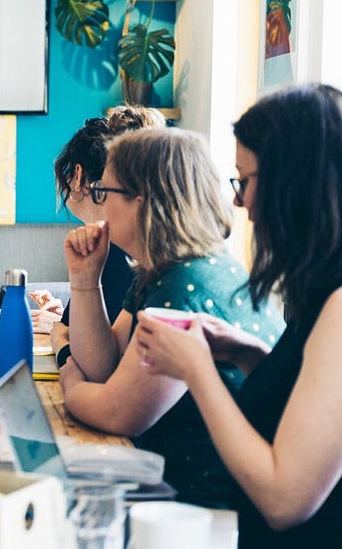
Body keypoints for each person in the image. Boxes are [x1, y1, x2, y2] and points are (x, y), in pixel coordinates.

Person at [137, 84, 342, 545]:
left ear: (293, 185)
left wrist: (197, 369)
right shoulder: (320, 287)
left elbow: (284, 499)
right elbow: (311, 406)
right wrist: (248, 354)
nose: (238, 201)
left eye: (244, 180)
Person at [58, 128, 283, 507]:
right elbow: (103, 364)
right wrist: (84, 281)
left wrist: (68, 376)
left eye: (104, 192)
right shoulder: (168, 269)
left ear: (142, 203)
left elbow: (117, 414)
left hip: (200, 508)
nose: (99, 204)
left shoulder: (184, 289)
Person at [36, 106, 166, 335]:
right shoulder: (124, 245)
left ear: (77, 174)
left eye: (105, 187)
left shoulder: (118, 248)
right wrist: (64, 323)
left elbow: (98, 359)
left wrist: (62, 334)